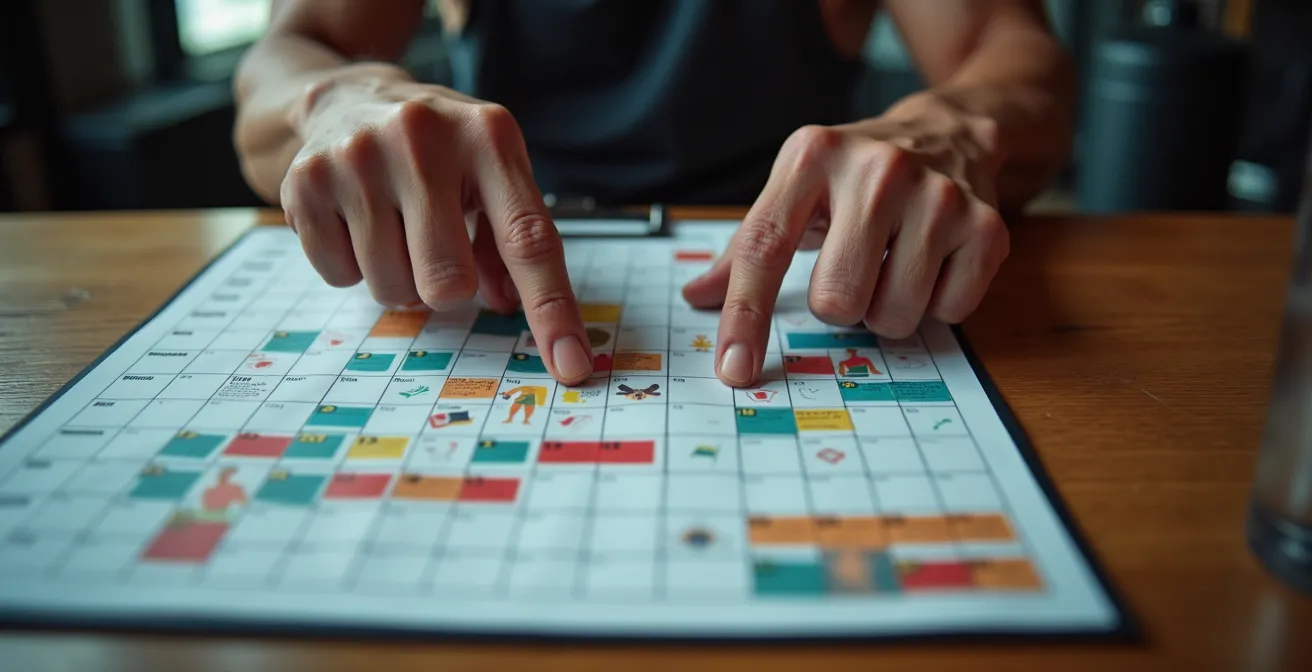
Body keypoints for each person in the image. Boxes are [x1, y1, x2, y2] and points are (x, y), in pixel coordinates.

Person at [233, 0, 1075, 389]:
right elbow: (290, 50)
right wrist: (333, 100)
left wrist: (953, 125)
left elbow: (1014, 49)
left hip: (813, 273)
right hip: (475, 267)